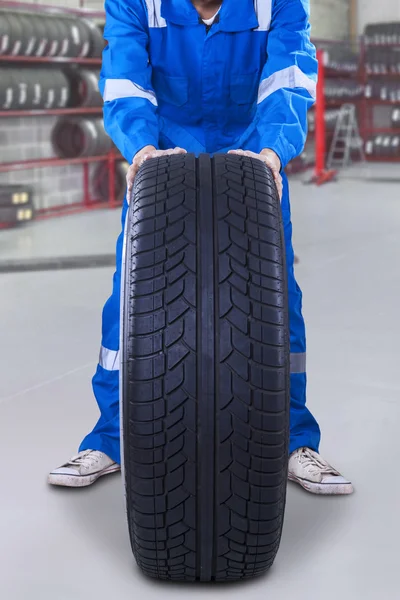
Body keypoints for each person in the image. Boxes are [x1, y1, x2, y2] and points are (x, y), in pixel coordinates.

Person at [48, 0, 353, 495]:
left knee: (276, 302)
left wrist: (271, 154)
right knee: (131, 297)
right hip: (163, 160)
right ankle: (110, 437)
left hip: (253, 160)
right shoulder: (135, 3)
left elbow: (289, 79)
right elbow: (125, 81)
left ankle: (295, 440)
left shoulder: (277, 4)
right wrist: (141, 150)